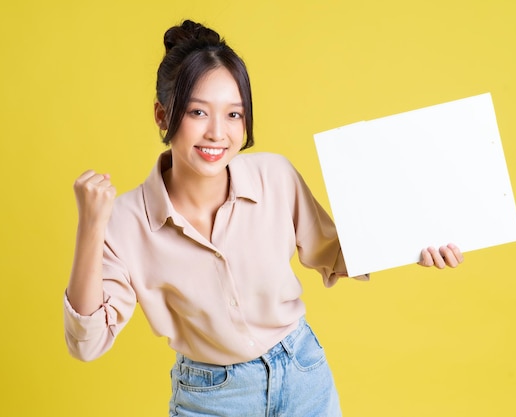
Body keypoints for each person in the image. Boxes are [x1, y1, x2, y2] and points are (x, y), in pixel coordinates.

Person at [64, 19, 464, 417]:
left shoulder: (275, 177)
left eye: (234, 115)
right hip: (211, 397)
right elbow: (86, 343)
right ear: (162, 115)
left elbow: (336, 252)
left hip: (303, 373)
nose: (217, 133)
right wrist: (91, 228)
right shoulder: (124, 221)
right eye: (198, 112)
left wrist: (415, 242)